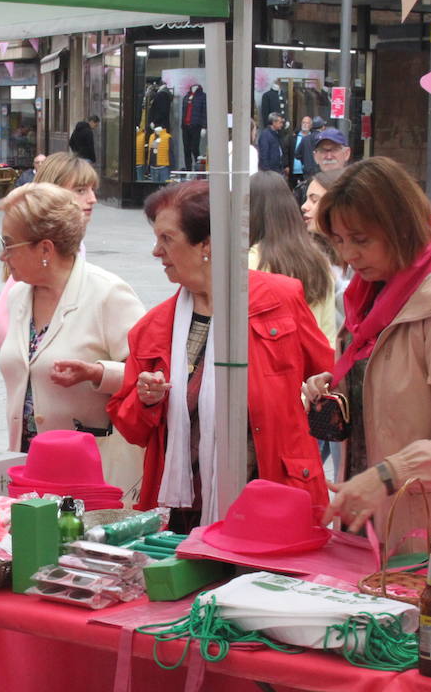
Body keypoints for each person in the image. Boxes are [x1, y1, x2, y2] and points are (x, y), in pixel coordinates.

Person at [301, 157, 431, 567]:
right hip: (378, 522)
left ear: (399, 228)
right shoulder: (374, 291)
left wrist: (386, 475)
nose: (348, 254)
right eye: (339, 240)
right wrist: (343, 385)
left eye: (360, 239)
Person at [108, 181, 331, 533]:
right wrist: (145, 399)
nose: (156, 251)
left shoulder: (280, 299)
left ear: (208, 244)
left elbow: (331, 374)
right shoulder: (152, 328)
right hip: (184, 512)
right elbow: (131, 428)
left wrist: (321, 388)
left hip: (276, 498)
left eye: (167, 239)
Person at [0, 182, 146, 497]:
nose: (1, 256)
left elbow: (148, 376)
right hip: (29, 466)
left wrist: (97, 373)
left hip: (91, 476)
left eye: (8, 244)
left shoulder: (108, 294)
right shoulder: (20, 294)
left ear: (46, 249)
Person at [0, 152, 98, 348]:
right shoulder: (46, 247)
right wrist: (28, 364)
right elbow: (0, 321)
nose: (92, 199)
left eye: (92, 189)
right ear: (53, 193)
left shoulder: (73, 244)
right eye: (81, 190)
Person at [248, 170, 336, 347]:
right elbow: (328, 331)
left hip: (270, 368)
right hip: (315, 369)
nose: (304, 206)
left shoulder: (250, 262)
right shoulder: (319, 260)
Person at [300, 167, 353, 337]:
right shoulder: (307, 256)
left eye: (314, 200)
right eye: (307, 199)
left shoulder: (358, 261)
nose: (304, 206)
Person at [286, 115, 316, 187]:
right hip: (294, 171)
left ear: (311, 125)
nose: (305, 124)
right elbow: (287, 152)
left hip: (308, 172)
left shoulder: (313, 138)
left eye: (307, 123)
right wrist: (286, 165)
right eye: (303, 122)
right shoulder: (293, 137)